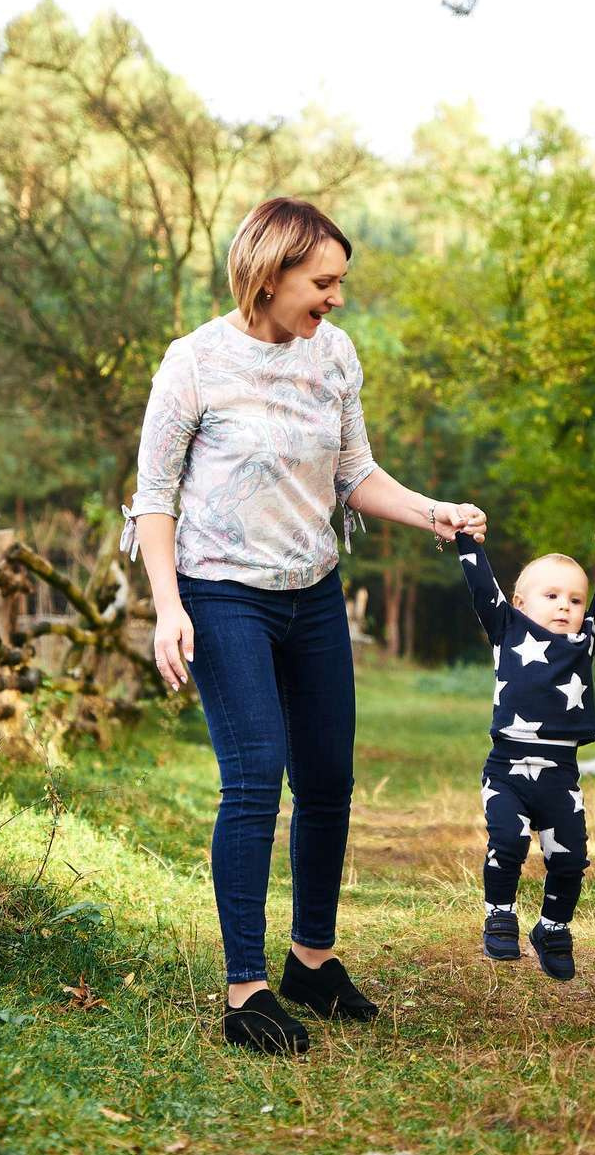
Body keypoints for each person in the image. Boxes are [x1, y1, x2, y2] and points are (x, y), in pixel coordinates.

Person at [125, 197, 486, 1054]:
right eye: (323, 282)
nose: (336, 298)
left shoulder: (335, 355)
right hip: (222, 592)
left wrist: (432, 510)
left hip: (313, 589)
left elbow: (354, 471)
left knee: (326, 777)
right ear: (271, 270)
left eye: (340, 282)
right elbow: (153, 498)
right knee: (256, 773)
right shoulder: (195, 363)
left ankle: (311, 962)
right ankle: (245, 989)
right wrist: (169, 606)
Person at [452, 531, 595, 980]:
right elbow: (482, 589)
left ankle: (553, 928)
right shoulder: (507, 630)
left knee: (570, 858)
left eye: (575, 600)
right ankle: (500, 914)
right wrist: (467, 539)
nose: (565, 607)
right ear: (519, 603)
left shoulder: (585, 642)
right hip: (507, 771)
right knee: (509, 843)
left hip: (560, 776)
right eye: (552, 596)